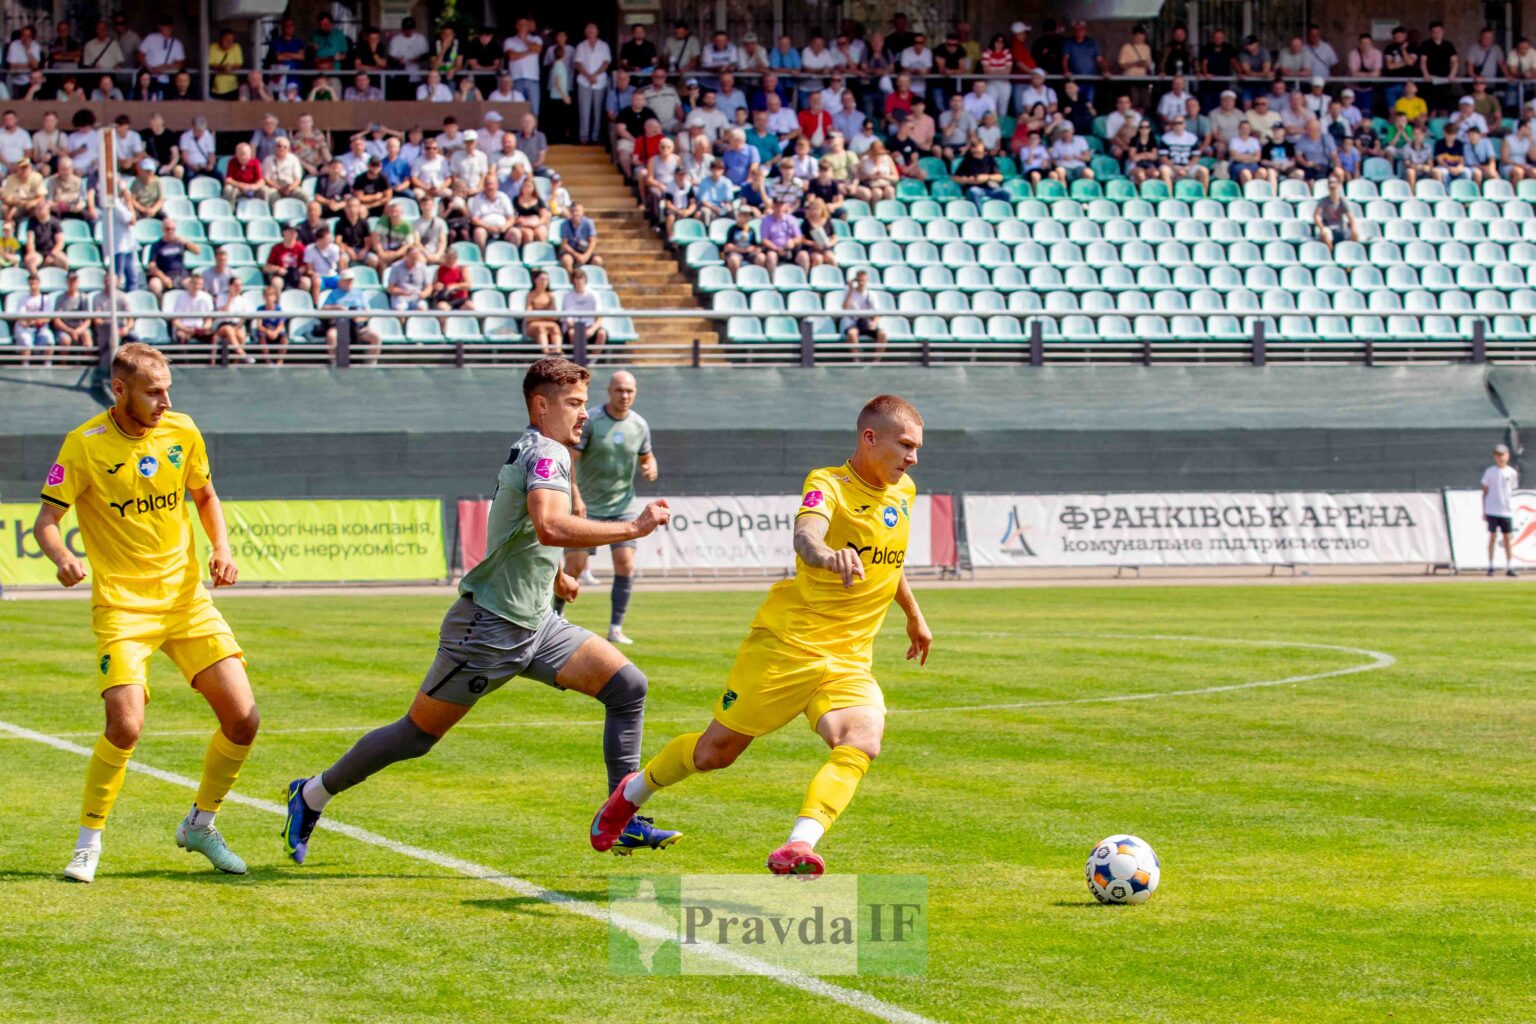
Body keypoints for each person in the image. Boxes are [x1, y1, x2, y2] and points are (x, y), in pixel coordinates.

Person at [283, 359, 680, 865]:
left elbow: (524, 532)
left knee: (627, 687)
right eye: (574, 404)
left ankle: (621, 820)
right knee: (416, 735)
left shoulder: (546, 450)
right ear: (542, 405)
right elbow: (551, 526)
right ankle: (311, 794)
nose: (585, 414)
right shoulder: (546, 453)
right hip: (489, 629)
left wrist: (554, 576)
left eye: (584, 403)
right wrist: (634, 527)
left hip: (537, 623)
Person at [589, 394, 931, 875]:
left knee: (862, 739)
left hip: (849, 659)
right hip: (788, 646)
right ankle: (632, 793)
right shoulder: (827, 484)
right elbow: (806, 536)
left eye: (917, 449)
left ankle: (798, 844)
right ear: (870, 438)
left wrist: (913, 615)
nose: (913, 458)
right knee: (714, 753)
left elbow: (888, 562)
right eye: (906, 446)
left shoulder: (904, 491)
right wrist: (826, 555)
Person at [35, 344, 256, 883]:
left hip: (186, 601)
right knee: (126, 725)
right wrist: (63, 558)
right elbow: (46, 521)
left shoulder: (182, 430)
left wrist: (221, 549)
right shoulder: (84, 444)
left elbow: (205, 496)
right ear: (120, 390)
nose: (166, 402)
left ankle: (200, 824)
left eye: (168, 390)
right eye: (154, 392)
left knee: (243, 719)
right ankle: (88, 844)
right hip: (123, 608)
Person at [317, 269, 382, 363]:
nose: (349, 282)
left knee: (376, 337)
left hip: (358, 326)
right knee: (331, 335)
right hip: (339, 325)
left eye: (351, 280)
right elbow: (323, 309)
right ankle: (334, 363)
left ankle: (370, 365)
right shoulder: (333, 293)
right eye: (346, 280)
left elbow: (368, 312)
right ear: (341, 281)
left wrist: (360, 318)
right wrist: (337, 307)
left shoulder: (359, 293)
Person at [1482, 443, 1519, 576]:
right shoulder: (1490, 472)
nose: (1500, 458)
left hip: (1506, 510)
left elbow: (1512, 491)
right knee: (1492, 536)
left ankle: (1510, 566)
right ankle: (1491, 565)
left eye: (1502, 455)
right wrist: (1484, 509)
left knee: (1507, 538)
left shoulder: (1511, 472)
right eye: (1497, 455)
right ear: (1494, 457)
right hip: (1492, 509)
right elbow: (1485, 491)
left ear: (1507, 456)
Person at [559, 265, 607, 354]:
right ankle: (578, 358)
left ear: (585, 280)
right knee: (572, 333)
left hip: (590, 326)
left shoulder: (594, 294)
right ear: (573, 281)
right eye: (577, 279)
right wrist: (579, 329)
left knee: (602, 333)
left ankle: (593, 359)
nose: (579, 282)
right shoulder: (567, 296)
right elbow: (568, 320)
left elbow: (600, 316)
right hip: (575, 327)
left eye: (581, 278)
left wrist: (592, 330)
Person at [524, 269, 562, 355]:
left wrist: (537, 315)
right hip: (533, 325)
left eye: (546, 279)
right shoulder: (530, 295)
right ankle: (546, 352)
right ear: (535, 280)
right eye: (541, 279)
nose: (544, 282)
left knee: (555, 327)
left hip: (547, 323)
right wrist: (546, 315)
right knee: (541, 328)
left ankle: (557, 351)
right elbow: (529, 317)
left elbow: (554, 317)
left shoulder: (550, 296)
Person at [1314, 178, 1358, 252]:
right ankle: (1331, 254)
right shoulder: (1323, 201)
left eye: (1334, 183)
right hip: (1328, 227)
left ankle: (1349, 253)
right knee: (1325, 234)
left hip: (1341, 227)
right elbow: (1317, 215)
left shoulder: (1342, 200)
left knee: (1355, 234)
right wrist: (1322, 228)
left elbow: (1350, 216)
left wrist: (1354, 228)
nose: (1332, 185)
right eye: (1330, 183)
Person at [558, 201, 601, 273]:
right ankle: (571, 278)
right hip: (571, 252)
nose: (575, 213)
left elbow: (593, 241)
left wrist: (586, 255)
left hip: (585, 251)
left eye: (577, 211)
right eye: (573, 211)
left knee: (598, 261)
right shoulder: (564, 224)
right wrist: (577, 255)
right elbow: (564, 244)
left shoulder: (588, 223)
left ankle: (591, 278)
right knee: (566, 260)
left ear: (582, 212)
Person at [255, 284, 288, 364]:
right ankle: (267, 360)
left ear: (275, 297)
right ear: (264, 297)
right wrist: (268, 332)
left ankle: (280, 360)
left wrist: (275, 332)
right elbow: (259, 326)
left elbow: (281, 324)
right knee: (262, 337)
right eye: (267, 296)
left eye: (271, 295)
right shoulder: (260, 309)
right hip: (266, 331)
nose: (269, 298)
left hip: (276, 331)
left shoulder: (279, 309)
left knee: (284, 338)